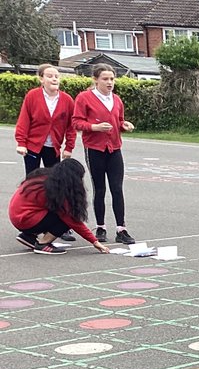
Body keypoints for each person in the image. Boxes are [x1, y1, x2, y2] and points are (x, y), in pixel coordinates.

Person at [72, 64, 135, 245]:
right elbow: (76, 122)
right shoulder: (84, 98)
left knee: (117, 188)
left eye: (112, 79)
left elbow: (119, 120)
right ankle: (100, 227)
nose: (109, 83)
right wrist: (94, 127)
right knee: (100, 189)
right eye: (105, 79)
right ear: (96, 80)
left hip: (114, 148)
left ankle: (121, 229)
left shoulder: (116, 100)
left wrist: (124, 125)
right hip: (95, 148)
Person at [15, 65, 79, 242]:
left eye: (56, 76)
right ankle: (30, 225)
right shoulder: (32, 96)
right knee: (32, 184)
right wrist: (21, 143)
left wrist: (69, 147)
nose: (54, 79)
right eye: (49, 76)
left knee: (56, 185)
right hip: (33, 146)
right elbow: (24, 120)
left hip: (54, 147)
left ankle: (57, 225)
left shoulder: (66, 99)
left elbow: (71, 126)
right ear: (41, 79)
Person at [9, 161, 110, 255]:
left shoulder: (44, 177)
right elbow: (72, 219)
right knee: (66, 219)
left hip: (17, 216)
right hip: (26, 219)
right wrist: (94, 241)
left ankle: (28, 236)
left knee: (53, 210)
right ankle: (43, 244)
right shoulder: (56, 189)